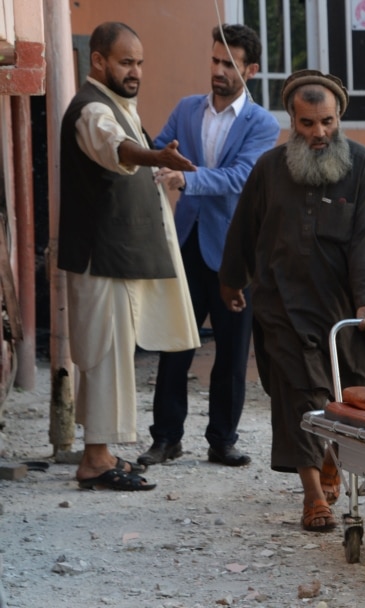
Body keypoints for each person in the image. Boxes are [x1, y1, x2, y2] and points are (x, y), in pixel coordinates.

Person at [218, 69, 365, 532]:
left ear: (340, 118)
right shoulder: (269, 170)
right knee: (297, 395)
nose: (319, 133)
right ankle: (313, 496)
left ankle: (333, 455)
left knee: (344, 394)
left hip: (343, 304)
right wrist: (232, 280)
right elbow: (244, 230)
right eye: (308, 124)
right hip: (282, 302)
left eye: (328, 123)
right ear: (291, 121)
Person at [58, 22, 200, 491]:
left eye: (139, 62)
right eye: (125, 62)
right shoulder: (92, 109)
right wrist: (156, 156)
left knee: (116, 356)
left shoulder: (118, 105)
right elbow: (114, 147)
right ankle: (95, 461)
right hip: (100, 259)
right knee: (103, 356)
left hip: (118, 257)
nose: (136, 71)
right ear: (98, 61)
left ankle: (105, 452)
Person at [136, 24, 279, 469]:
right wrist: (157, 157)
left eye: (229, 63)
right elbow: (160, 151)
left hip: (236, 253)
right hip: (186, 243)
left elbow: (240, 177)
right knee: (175, 345)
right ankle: (166, 439)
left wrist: (187, 178)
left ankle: (223, 440)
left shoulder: (263, 123)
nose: (218, 70)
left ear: (251, 70)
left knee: (233, 353)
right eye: (215, 60)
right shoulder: (186, 109)